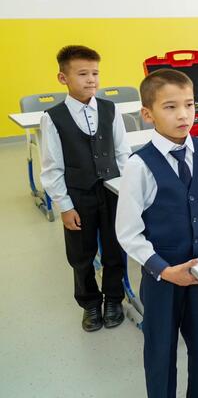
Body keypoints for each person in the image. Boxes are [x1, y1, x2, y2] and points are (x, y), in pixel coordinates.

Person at [115, 69, 198, 397]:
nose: (183, 115)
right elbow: (128, 232)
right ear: (147, 114)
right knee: (161, 350)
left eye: (189, 104)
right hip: (162, 278)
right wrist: (166, 271)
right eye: (170, 107)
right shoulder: (138, 165)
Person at [40, 45, 131, 331]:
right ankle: (90, 302)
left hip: (112, 192)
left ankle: (114, 298)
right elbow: (52, 167)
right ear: (63, 78)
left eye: (95, 73)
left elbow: (122, 154)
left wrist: (127, 192)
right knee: (81, 254)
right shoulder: (53, 117)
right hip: (78, 195)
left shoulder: (110, 109)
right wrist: (64, 206)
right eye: (82, 74)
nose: (91, 79)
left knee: (114, 249)